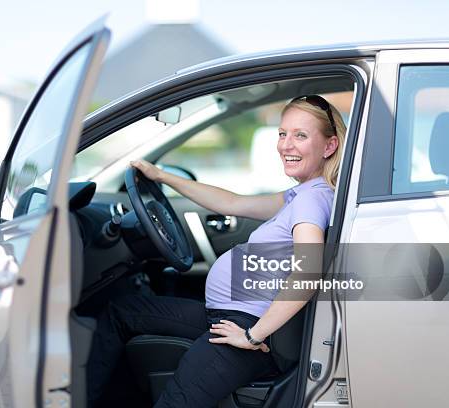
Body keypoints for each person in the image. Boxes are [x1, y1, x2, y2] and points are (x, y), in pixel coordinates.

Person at [87, 95, 346, 408]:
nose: (286, 145)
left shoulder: (311, 200)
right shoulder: (300, 194)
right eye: (282, 133)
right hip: (225, 316)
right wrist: (163, 177)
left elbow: (308, 271)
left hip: (245, 327)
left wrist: (252, 335)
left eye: (300, 136)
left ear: (330, 146)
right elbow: (232, 203)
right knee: (122, 313)